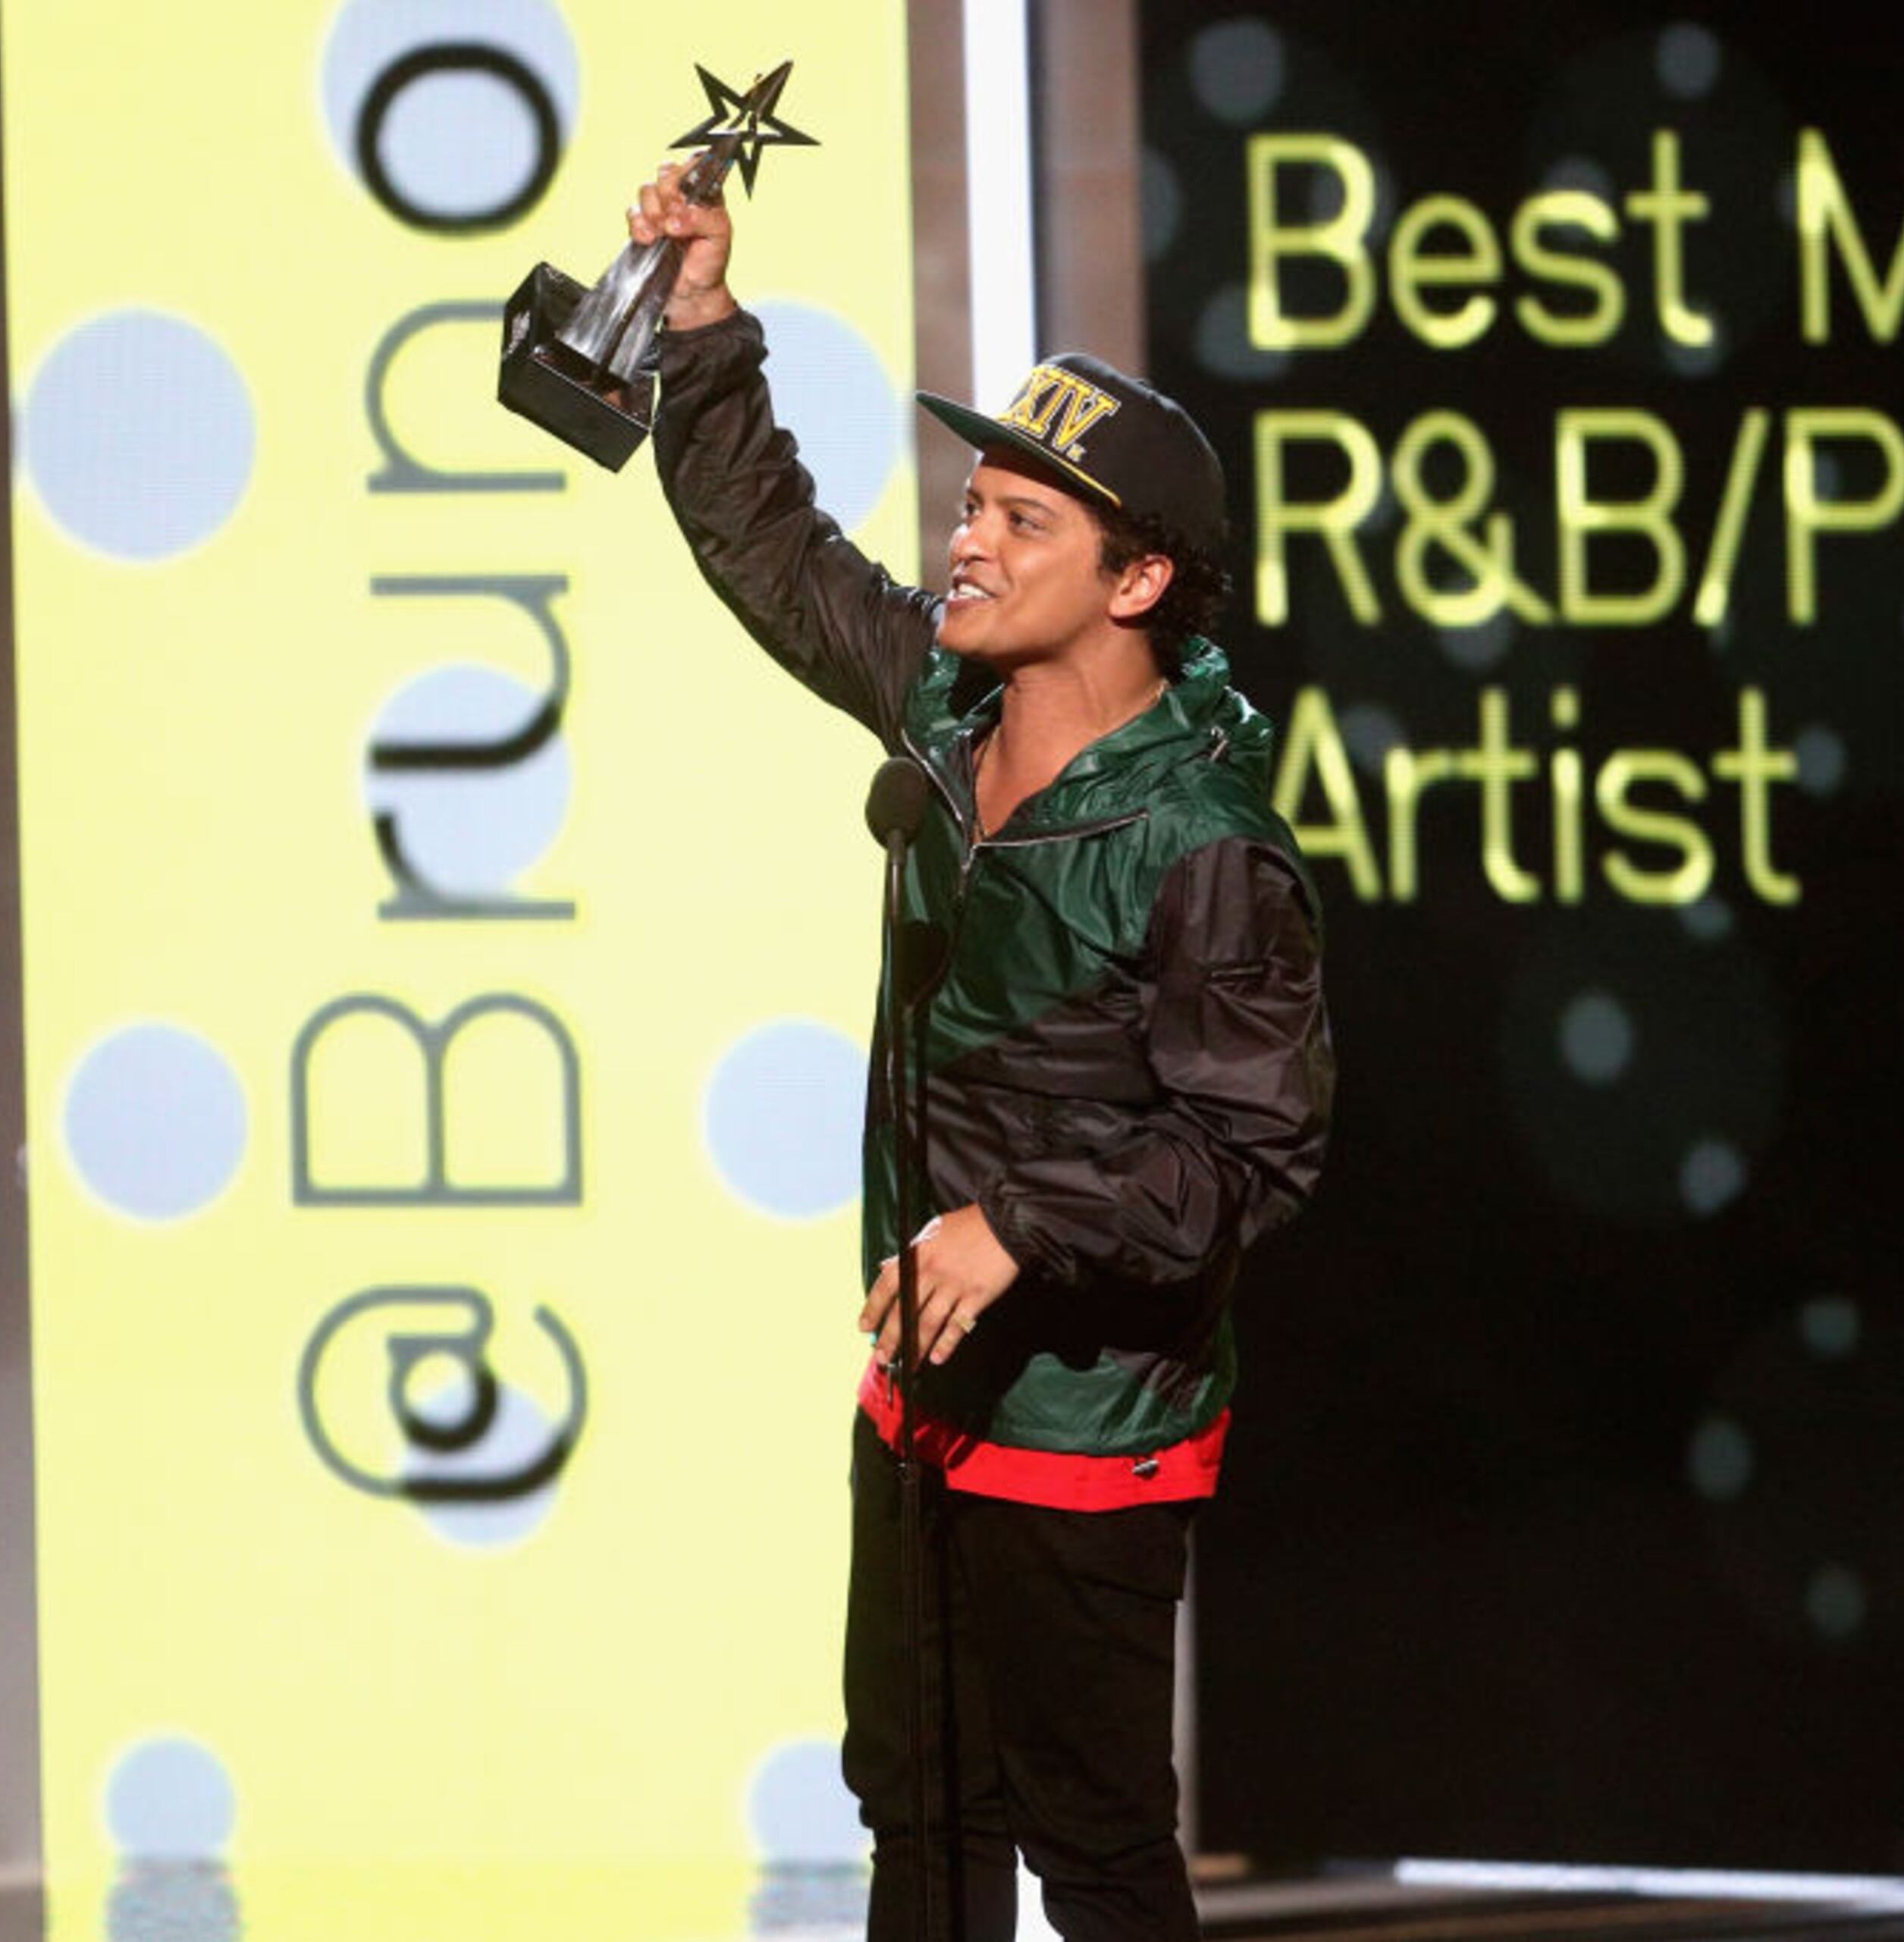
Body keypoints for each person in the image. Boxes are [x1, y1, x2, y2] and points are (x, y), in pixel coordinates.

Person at [634, 162, 1333, 1942]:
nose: (968, 542)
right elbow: (772, 548)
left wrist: (1019, 1222)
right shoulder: (947, 711)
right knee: (918, 1811)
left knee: (1092, 1846)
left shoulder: (1206, 841)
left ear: (1140, 578)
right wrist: (702, 323)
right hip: (921, 1387)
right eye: (973, 505)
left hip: (1089, 1423)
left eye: (1027, 524)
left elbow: (1254, 1152)